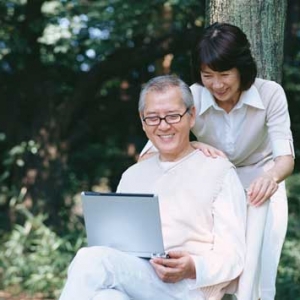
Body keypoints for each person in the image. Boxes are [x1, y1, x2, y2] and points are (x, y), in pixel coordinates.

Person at [141, 23, 295, 300]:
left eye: (225, 74)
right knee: (213, 274)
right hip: (214, 191)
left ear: (242, 69)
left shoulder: (271, 93)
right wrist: (195, 143)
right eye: (208, 75)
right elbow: (149, 153)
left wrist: (270, 178)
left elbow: (285, 158)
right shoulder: (193, 95)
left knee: (258, 278)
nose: (217, 84)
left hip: (262, 186)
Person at [59, 75, 247, 300]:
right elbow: (115, 246)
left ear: (191, 115)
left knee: (91, 259)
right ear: (142, 121)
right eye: (153, 118)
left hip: (189, 290)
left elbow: (234, 256)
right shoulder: (132, 175)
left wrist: (193, 266)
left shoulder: (219, 171)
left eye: (173, 116)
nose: (164, 125)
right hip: (138, 280)